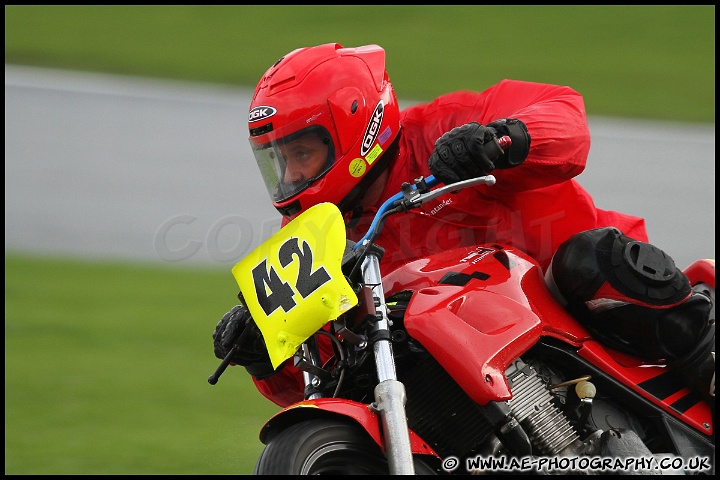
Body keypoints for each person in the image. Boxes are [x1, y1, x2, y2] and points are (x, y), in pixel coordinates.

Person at [213, 43, 714, 407]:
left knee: (592, 258)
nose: (292, 176)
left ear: (355, 126)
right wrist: (265, 357)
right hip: (475, 372)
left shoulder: (444, 126)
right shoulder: (306, 244)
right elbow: (322, 385)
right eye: (279, 161)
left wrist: (504, 139)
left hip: (573, 309)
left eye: (302, 153)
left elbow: (565, 117)